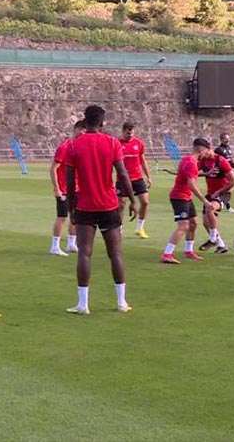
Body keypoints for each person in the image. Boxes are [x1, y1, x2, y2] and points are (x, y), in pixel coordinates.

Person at [64, 105, 136, 315]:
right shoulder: (112, 142)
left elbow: (70, 183)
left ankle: (83, 304)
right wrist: (132, 200)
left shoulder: (73, 145)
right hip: (109, 205)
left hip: (85, 206)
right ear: (102, 123)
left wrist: (71, 211)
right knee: (115, 254)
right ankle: (121, 302)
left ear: (85, 122)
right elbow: (123, 174)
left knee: (84, 254)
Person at [161, 139, 215, 264]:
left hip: (185, 197)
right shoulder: (191, 162)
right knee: (183, 226)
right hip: (179, 197)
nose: (207, 154)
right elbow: (191, 184)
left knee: (193, 224)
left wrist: (206, 173)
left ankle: (188, 251)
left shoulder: (187, 159)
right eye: (207, 151)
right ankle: (167, 254)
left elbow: (190, 175)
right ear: (202, 149)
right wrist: (205, 201)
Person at [49, 120, 86, 256]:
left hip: (76, 188)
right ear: (76, 129)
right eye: (82, 130)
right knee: (62, 216)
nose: (84, 133)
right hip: (64, 189)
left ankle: (71, 243)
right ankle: (55, 246)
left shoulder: (79, 147)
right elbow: (53, 168)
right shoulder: (65, 147)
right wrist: (56, 188)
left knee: (75, 216)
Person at [197, 140, 234, 254]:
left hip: (224, 193)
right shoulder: (203, 161)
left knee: (210, 209)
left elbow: (233, 181)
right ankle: (221, 245)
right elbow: (194, 172)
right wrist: (204, 173)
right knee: (206, 222)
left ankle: (213, 239)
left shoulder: (221, 160)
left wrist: (219, 192)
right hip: (211, 193)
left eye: (201, 151)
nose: (200, 154)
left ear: (208, 149)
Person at [117, 122, 152, 238]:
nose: (130, 136)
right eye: (127, 133)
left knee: (145, 202)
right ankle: (119, 228)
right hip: (122, 179)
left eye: (131, 133)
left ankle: (140, 228)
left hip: (137, 178)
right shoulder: (117, 144)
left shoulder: (138, 144)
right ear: (123, 131)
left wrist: (148, 176)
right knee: (121, 204)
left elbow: (142, 160)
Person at [214, 133, 234, 212]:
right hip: (221, 173)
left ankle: (224, 204)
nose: (228, 140)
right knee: (227, 189)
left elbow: (230, 161)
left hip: (228, 172)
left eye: (228, 138)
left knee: (228, 190)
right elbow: (220, 162)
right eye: (225, 138)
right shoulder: (218, 150)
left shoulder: (229, 148)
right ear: (221, 140)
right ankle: (221, 203)